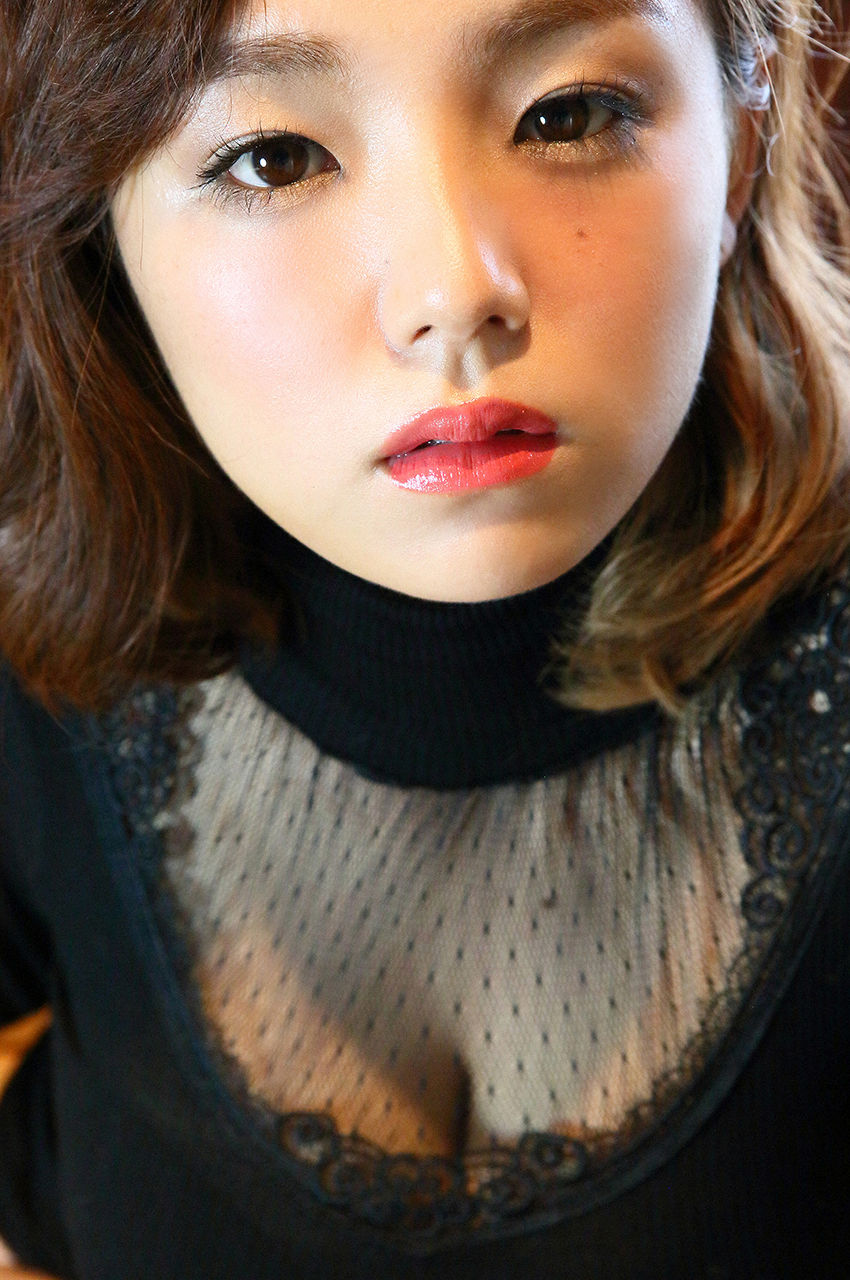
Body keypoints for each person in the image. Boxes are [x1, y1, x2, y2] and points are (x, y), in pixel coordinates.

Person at [1, 0, 848, 1275]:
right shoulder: (44, 650)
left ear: (742, 136)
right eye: (274, 157)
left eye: (567, 114)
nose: (456, 292)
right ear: (99, 224)